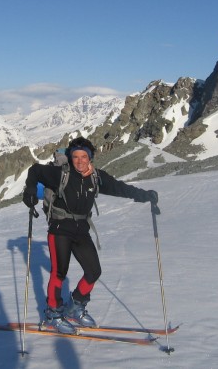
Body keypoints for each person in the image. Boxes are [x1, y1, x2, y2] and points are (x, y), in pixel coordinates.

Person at [22, 137, 159, 334]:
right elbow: (35, 170)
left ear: (90, 157)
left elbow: (120, 188)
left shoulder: (97, 177)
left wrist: (145, 195)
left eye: (84, 156)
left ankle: (75, 306)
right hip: (59, 228)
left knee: (93, 271)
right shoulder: (60, 173)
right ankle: (53, 313)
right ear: (70, 158)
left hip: (81, 229)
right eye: (75, 157)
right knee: (59, 273)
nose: (79, 161)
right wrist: (30, 190)